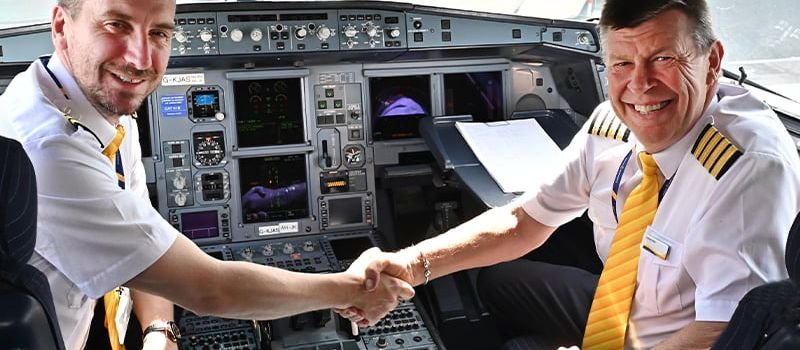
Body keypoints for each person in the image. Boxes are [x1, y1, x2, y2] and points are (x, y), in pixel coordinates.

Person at [340, 0, 800, 348]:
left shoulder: (746, 169)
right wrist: (409, 264)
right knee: (499, 282)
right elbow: (523, 222)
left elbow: (723, 329)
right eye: (622, 63)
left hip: (676, 337)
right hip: (626, 306)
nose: (639, 85)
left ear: (713, 61)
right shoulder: (613, 121)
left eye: (663, 59)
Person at [0, 0, 415, 349]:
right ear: (60, 26)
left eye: (159, 33)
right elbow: (210, 289)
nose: (140, 60)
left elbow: (138, 228)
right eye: (116, 24)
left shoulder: (97, 104)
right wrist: (352, 288)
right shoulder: (49, 147)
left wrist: (160, 328)